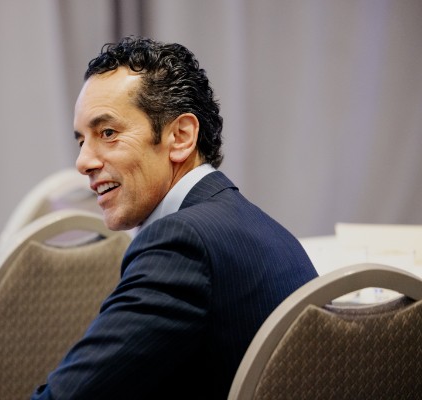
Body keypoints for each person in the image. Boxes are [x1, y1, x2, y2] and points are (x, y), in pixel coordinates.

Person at [31, 36, 318, 399]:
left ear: (180, 136)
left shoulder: (181, 245)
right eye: (81, 141)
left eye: (108, 133)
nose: (83, 162)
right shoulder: (256, 226)